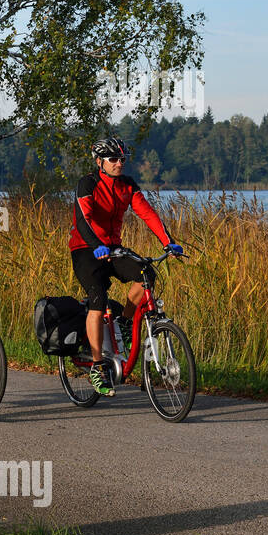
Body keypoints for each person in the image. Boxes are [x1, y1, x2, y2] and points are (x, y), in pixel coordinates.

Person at [70, 135, 182, 396]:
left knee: (146, 275)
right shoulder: (88, 183)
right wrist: (95, 244)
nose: (119, 163)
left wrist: (168, 242)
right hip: (86, 249)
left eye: (122, 159)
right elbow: (82, 219)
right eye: (113, 159)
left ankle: (123, 322)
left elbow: (148, 214)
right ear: (100, 162)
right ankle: (98, 366)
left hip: (113, 248)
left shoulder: (127, 185)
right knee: (97, 298)